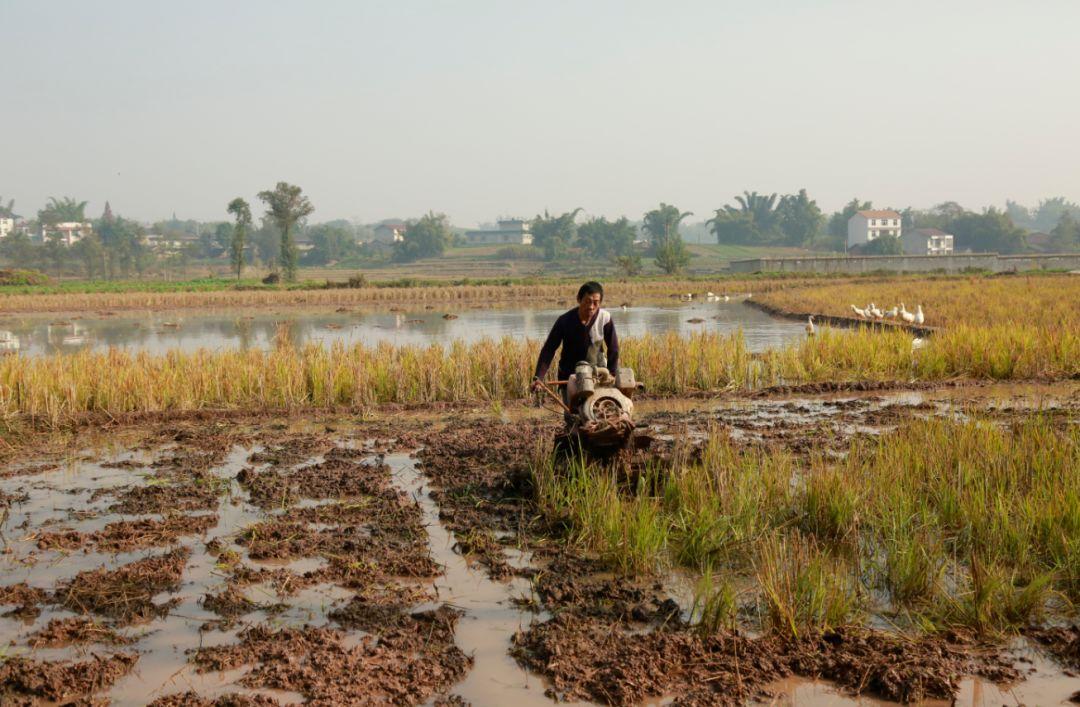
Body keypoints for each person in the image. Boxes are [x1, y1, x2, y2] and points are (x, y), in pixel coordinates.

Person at [531, 281, 620, 402]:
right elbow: (549, 350)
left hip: (596, 374)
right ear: (579, 299)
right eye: (587, 301)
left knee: (597, 410)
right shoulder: (564, 321)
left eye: (595, 303)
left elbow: (613, 348)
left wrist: (612, 373)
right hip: (570, 375)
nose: (591, 306)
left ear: (600, 303)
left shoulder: (605, 318)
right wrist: (539, 377)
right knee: (572, 414)